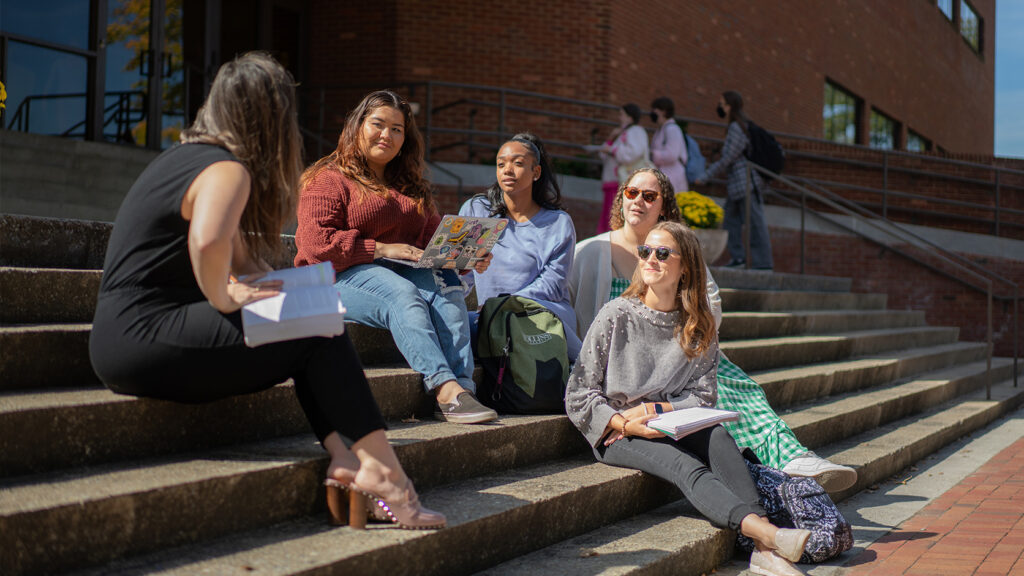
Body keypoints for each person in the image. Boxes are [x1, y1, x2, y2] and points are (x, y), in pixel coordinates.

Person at [88, 53, 444, 530]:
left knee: (316, 313)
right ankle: (383, 470)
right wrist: (224, 297)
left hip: (122, 337)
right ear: (271, 117)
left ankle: (346, 455)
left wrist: (295, 292)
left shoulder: (182, 159)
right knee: (320, 325)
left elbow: (244, 261)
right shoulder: (226, 169)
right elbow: (209, 242)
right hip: (146, 337)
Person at [569, 167, 857, 493]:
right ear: (621, 198)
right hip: (624, 370)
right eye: (631, 193)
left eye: (649, 196)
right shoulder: (589, 251)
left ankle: (792, 458)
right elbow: (568, 310)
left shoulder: (682, 249)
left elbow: (711, 301)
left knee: (739, 386)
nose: (638, 201)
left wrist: (685, 339)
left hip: (677, 356)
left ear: (663, 206)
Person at [565, 221, 812, 576]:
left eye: (663, 253)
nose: (650, 259)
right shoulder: (616, 315)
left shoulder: (698, 325)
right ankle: (769, 535)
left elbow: (704, 395)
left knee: (720, 437)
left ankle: (763, 550)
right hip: (617, 432)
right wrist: (624, 421)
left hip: (670, 421)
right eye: (645, 251)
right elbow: (578, 393)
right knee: (685, 466)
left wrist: (656, 410)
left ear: (685, 268)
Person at [293, 89, 497, 425]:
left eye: (397, 129)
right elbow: (317, 243)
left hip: (394, 271)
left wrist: (464, 257)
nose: (386, 134)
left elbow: (431, 240)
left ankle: (463, 389)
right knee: (403, 294)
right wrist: (381, 249)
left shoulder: (411, 186)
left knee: (447, 284)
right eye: (378, 124)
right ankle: (443, 387)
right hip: (330, 278)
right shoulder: (327, 179)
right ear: (357, 126)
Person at [459, 132, 582, 361]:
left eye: (517, 163)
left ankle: (586, 370)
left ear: (536, 172)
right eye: (500, 164)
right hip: (489, 316)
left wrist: (504, 305)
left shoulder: (558, 222)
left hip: (542, 310)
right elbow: (461, 273)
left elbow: (553, 285)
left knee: (525, 322)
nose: (507, 170)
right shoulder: (477, 210)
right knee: (447, 319)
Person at [696, 90, 773, 270]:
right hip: (736, 186)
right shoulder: (738, 126)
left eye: (722, 104)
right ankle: (738, 258)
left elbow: (728, 158)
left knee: (755, 224)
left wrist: (706, 176)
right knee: (730, 221)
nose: (720, 108)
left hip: (746, 184)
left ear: (729, 106)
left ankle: (763, 263)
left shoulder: (736, 128)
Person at [589, 103, 650, 234]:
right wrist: (611, 139)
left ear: (630, 117)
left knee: (615, 216)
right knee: (609, 215)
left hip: (621, 180)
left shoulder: (636, 131)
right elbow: (603, 153)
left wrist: (612, 149)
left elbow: (633, 153)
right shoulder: (623, 131)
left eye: (622, 114)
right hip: (613, 178)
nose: (619, 117)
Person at [649, 96, 688, 192]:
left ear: (663, 111)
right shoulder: (662, 129)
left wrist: (652, 154)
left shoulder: (672, 129)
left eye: (655, 109)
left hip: (672, 178)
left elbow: (672, 155)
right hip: (664, 177)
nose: (653, 112)